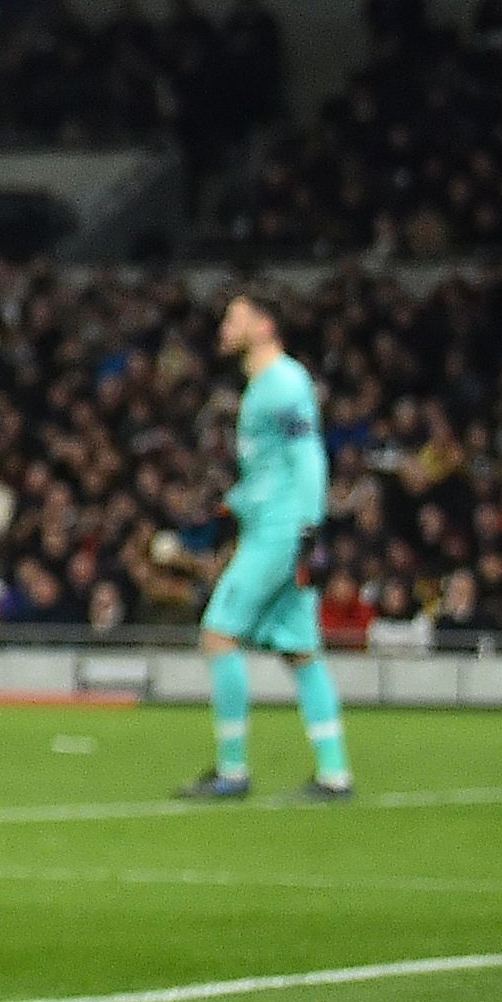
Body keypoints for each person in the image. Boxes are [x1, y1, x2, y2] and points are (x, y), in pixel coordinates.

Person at [180, 288, 352, 802]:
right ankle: (334, 774)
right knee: (301, 651)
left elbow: (308, 457)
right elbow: (274, 468)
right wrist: (235, 502)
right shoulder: (263, 385)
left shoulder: (283, 383)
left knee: (218, 635)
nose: (224, 328)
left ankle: (233, 771)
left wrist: (309, 529)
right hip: (273, 525)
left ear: (264, 325)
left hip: (283, 532)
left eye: (234, 319)